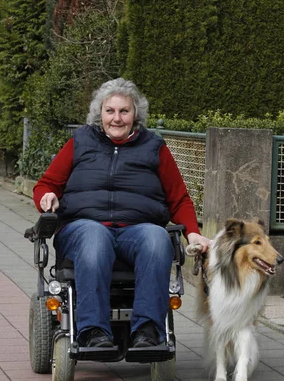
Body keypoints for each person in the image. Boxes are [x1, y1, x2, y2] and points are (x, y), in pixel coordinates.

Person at [33, 77, 210, 350]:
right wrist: (46, 197)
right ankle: (93, 331)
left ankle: (148, 331)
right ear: (99, 113)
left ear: (135, 114)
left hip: (136, 230)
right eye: (110, 111)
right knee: (95, 236)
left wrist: (194, 234)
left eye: (124, 111)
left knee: (156, 238)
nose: (116, 118)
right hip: (83, 228)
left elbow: (179, 199)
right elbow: (46, 185)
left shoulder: (154, 147)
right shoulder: (81, 141)